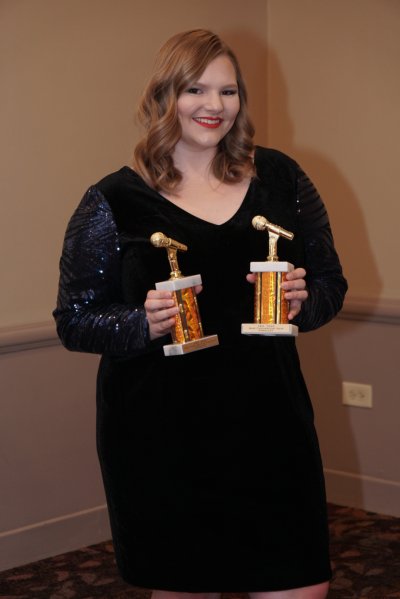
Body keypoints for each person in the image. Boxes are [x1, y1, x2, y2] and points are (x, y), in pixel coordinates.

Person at [54, 29, 347, 599]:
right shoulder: (113, 199)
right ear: (165, 96)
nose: (215, 106)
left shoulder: (282, 179)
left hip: (271, 424)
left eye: (228, 91)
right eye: (196, 89)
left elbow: (332, 283)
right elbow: (75, 318)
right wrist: (142, 322)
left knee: (302, 583)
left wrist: (304, 302)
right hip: (162, 435)